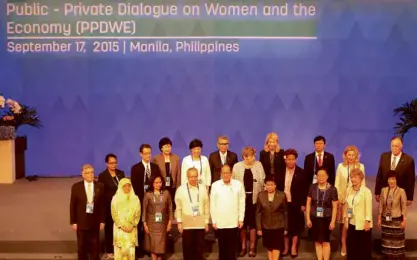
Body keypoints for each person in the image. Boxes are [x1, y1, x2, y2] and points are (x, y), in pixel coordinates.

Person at [232, 146, 265, 257]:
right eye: (251, 156)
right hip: (241, 200)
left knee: (253, 223)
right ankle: (243, 247)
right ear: (245, 157)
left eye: (254, 155)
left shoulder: (258, 165)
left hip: (255, 199)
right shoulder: (237, 167)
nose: (253, 158)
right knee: (242, 223)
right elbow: (233, 183)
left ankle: (252, 247)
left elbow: (263, 181)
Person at [130, 144, 161, 258]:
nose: (148, 155)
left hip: (153, 201)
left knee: (151, 225)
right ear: (141, 154)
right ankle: (139, 250)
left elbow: (158, 183)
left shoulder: (155, 167)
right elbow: (134, 186)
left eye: (149, 153)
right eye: (146, 153)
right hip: (140, 200)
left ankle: (150, 248)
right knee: (139, 225)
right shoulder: (135, 168)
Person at [276, 149, 308, 257]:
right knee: (284, 226)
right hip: (282, 203)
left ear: (296, 160)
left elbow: (305, 189)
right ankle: (286, 247)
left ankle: (294, 247)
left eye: (293, 159)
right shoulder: (279, 171)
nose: (290, 161)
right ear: (285, 160)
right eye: (288, 159)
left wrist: (303, 204)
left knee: (295, 227)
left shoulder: (301, 172)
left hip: (296, 203)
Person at [334, 145, 365, 256]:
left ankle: (353, 244)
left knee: (354, 222)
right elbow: (337, 183)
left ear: (356, 155)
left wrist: (361, 198)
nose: (351, 157)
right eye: (349, 154)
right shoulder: (340, 166)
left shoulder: (360, 166)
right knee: (344, 224)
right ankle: (343, 244)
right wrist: (337, 198)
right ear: (345, 155)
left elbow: (363, 183)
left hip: (355, 199)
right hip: (343, 199)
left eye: (353, 155)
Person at [70, 164, 105, 260]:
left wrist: (102, 220)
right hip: (81, 221)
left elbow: (102, 205)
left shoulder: (100, 186)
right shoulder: (76, 187)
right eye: (88, 173)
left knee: (95, 245)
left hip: (95, 221)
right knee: (82, 246)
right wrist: (73, 222)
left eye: (92, 172)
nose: (90, 175)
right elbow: (73, 205)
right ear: (83, 174)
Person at [210, 165, 245, 260]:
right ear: (221, 174)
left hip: (233, 222)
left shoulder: (238, 185)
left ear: (231, 173)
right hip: (220, 222)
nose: (226, 175)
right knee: (222, 249)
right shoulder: (215, 185)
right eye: (224, 173)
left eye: (227, 172)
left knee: (232, 249)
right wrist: (214, 220)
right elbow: (212, 204)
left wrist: (241, 219)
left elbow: (241, 202)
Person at [175, 168, 210, 260]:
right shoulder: (181, 189)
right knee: (187, 248)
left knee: (199, 248)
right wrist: (179, 222)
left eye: (195, 176)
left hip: (200, 223)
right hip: (187, 224)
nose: (193, 179)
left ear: (198, 176)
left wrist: (206, 221)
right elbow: (178, 207)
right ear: (187, 177)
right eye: (191, 177)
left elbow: (206, 205)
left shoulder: (202, 188)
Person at [306, 168, 338, 260]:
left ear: (327, 176)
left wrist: (333, 221)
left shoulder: (332, 189)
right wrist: (308, 218)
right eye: (319, 175)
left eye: (323, 175)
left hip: (326, 218)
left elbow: (335, 207)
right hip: (314, 218)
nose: (321, 177)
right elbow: (308, 204)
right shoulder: (312, 187)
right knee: (317, 241)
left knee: (325, 241)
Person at [98, 153, 126, 258]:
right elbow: (101, 193)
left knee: (120, 227)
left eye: (115, 162)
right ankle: (109, 250)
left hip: (121, 206)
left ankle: (120, 248)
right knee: (109, 228)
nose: (114, 165)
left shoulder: (121, 173)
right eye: (111, 163)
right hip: (109, 206)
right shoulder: (102, 176)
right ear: (106, 164)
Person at [375, 136, 415, 206]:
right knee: (385, 215)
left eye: (396, 146)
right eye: (392, 146)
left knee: (397, 215)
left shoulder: (409, 160)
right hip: (385, 193)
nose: (394, 148)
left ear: (401, 146)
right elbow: (379, 175)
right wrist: (377, 192)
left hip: (399, 195)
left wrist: (409, 197)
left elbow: (411, 181)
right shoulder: (384, 157)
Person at [256, 175, 287, 260]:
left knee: (276, 246)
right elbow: (258, 213)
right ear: (265, 185)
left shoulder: (282, 195)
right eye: (268, 184)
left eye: (272, 185)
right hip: (266, 226)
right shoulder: (260, 195)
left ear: (275, 185)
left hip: (278, 226)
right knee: (269, 246)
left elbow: (285, 212)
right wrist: (259, 228)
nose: (269, 186)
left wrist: (286, 228)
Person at [378, 170, 407, 260]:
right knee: (387, 242)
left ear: (396, 180)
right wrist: (379, 218)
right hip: (386, 220)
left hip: (397, 220)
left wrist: (404, 220)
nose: (391, 181)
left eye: (393, 179)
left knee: (396, 243)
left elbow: (404, 207)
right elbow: (381, 205)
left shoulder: (401, 191)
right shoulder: (384, 190)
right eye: (389, 179)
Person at [142, 174, 173, 260]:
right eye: (156, 183)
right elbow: (144, 210)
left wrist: (170, 223)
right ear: (152, 183)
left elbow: (170, 208)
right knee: (153, 246)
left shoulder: (166, 193)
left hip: (163, 224)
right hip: (151, 224)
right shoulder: (148, 195)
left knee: (161, 246)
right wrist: (144, 224)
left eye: (160, 182)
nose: (158, 184)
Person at [344, 168, 373, 260]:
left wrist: (367, 221)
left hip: (363, 224)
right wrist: (346, 219)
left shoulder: (366, 191)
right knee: (352, 247)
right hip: (352, 223)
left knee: (363, 248)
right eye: (351, 177)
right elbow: (348, 206)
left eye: (355, 177)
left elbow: (369, 207)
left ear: (360, 178)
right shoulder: (349, 190)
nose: (353, 179)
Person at [111, 178, 141, 260]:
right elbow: (114, 213)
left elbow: (137, 214)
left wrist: (133, 224)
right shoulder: (115, 198)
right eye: (124, 186)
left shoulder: (135, 198)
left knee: (130, 252)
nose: (127, 188)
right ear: (120, 187)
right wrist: (121, 225)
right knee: (119, 253)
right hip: (119, 229)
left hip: (131, 229)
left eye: (129, 186)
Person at [152, 137, 181, 208]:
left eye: (169, 146)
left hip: (173, 185)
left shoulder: (176, 158)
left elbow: (178, 173)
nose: (167, 148)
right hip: (162, 186)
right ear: (161, 148)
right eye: (165, 147)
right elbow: (155, 174)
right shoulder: (156, 158)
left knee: (173, 204)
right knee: (163, 205)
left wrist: (178, 186)